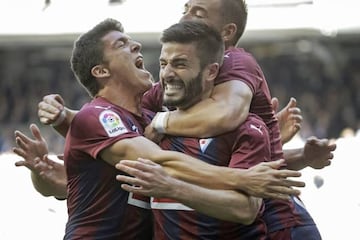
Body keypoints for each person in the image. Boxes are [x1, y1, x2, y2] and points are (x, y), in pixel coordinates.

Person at [14, 18, 307, 239]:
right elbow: (160, 162)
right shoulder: (100, 116)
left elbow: (67, 183)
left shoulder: (146, 120)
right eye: (121, 44)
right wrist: (243, 179)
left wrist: (280, 145)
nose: (137, 46)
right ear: (101, 71)